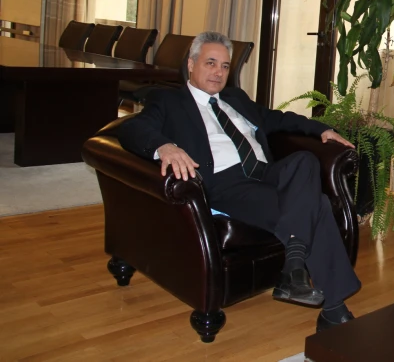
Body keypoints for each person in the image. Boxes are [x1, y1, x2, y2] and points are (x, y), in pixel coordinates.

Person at [118, 31, 361, 331]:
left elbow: (276, 118)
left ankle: (293, 267)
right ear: (191, 65)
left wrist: (320, 129)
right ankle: (333, 309)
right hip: (226, 183)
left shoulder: (236, 98)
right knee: (319, 203)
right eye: (210, 63)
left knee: (305, 161)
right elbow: (132, 128)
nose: (218, 72)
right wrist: (165, 146)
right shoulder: (170, 101)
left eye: (224, 66)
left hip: (263, 172)